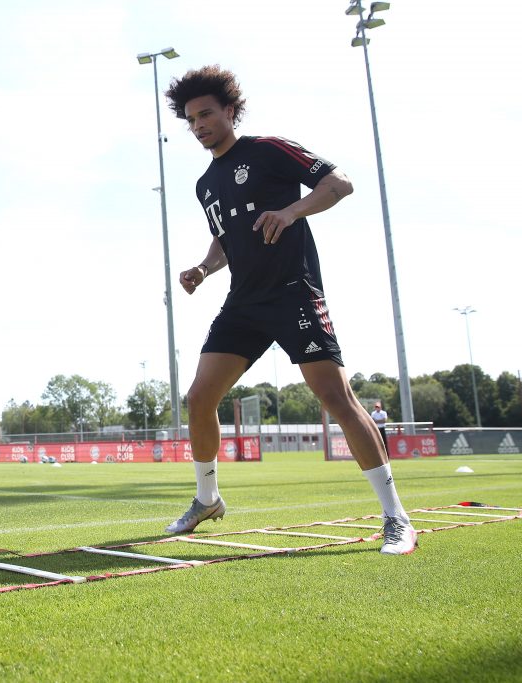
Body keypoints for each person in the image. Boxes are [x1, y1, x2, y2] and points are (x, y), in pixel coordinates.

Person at [162, 65, 416, 555]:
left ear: (230, 110)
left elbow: (339, 183)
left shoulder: (268, 148)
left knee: (335, 398)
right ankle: (207, 499)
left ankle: (396, 518)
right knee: (199, 399)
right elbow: (226, 240)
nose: (199, 126)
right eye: (191, 119)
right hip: (244, 301)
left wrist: (291, 210)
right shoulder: (205, 183)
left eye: (207, 114)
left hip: (294, 291)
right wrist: (203, 268)